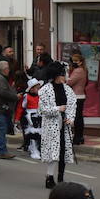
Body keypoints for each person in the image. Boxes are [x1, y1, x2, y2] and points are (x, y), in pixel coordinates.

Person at [38, 60, 76, 188]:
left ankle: (61, 177)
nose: (65, 76)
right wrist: (57, 109)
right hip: (51, 126)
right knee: (53, 153)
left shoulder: (68, 90)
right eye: (62, 74)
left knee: (63, 152)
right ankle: (49, 177)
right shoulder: (45, 90)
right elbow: (42, 109)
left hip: (64, 127)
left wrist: (71, 119)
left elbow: (72, 106)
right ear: (56, 75)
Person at [0, 60, 19, 159]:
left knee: (0, 129)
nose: (9, 70)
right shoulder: (0, 79)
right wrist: (15, 96)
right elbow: (3, 92)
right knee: (2, 129)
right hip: (0, 108)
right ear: (4, 69)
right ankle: (2, 151)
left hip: (0, 108)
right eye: (7, 68)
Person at [67, 51, 88, 145]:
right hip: (80, 95)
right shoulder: (83, 70)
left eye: (76, 61)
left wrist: (66, 76)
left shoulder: (78, 71)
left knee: (77, 118)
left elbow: (69, 82)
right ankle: (79, 137)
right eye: (73, 61)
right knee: (79, 117)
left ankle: (78, 137)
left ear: (80, 62)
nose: (74, 63)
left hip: (77, 96)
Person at [21, 78, 42, 160]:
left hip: (39, 115)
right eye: (37, 88)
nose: (39, 89)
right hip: (30, 115)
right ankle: (34, 150)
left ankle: (37, 148)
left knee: (38, 134)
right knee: (33, 134)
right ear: (32, 89)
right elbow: (23, 106)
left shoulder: (39, 96)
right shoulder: (27, 96)